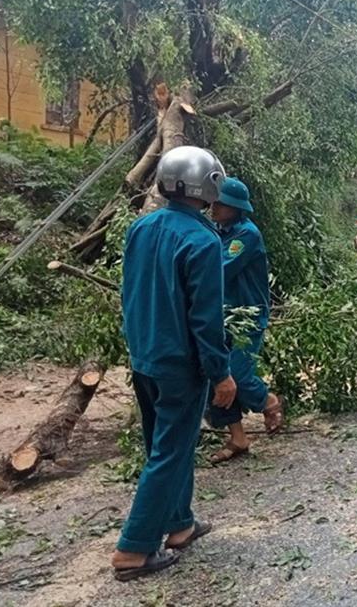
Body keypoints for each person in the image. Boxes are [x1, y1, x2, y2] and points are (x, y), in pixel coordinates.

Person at [112, 146, 236, 581]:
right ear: (207, 185)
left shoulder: (141, 227)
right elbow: (205, 319)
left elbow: (130, 292)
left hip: (144, 356)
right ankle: (134, 548)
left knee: (165, 446)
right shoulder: (202, 241)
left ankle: (179, 523)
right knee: (169, 453)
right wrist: (220, 373)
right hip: (179, 365)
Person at [206, 178, 283, 463]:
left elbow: (220, 270)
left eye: (221, 203)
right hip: (221, 315)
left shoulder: (245, 236)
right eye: (214, 200)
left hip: (247, 316)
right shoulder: (217, 231)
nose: (214, 206)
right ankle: (238, 437)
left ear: (236, 208)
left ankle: (269, 401)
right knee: (217, 375)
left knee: (238, 373)